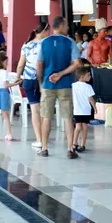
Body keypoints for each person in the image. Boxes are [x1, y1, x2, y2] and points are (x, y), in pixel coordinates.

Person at [37, 16, 81, 159]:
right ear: (61, 26)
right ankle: (70, 149)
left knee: (46, 117)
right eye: (66, 25)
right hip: (65, 84)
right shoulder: (70, 42)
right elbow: (77, 64)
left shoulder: (44, 42)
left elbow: (39, 64)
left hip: (48, 84)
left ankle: (44, 148)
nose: (68, 27)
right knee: (67, 117)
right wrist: (61, 74)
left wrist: (41, 82)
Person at [14, 23, 49, 150]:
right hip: (43, 80)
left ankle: (39, 140)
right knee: (44, 110)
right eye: (48, 31)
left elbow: (20, 64)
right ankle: (44, 139)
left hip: (29, 80)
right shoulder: (46, 44)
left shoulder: (26, 45)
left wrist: (18, 76)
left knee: (35, 110)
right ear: (44, 31)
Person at [71, 66, 95, 152]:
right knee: (85, 128)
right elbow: (91, 99)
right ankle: (82, 145)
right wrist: (95, 107)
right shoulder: (88, 87)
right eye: (88, 75)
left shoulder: (73, 85)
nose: (90, 76)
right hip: (86, 111)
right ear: (82, 77)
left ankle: (74, 144)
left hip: (77, 111)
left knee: (77, 127)